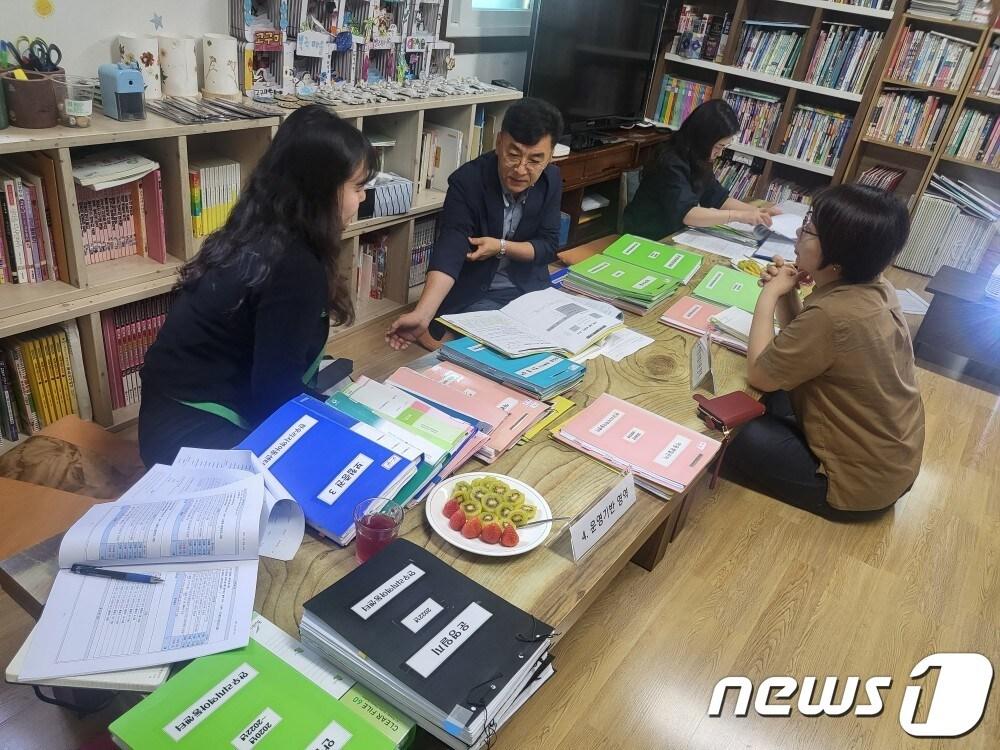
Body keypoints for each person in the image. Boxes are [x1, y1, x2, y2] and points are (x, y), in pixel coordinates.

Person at [137, 106, 376, 466]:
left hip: (165, 416)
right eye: (357, 187)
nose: (362, 198)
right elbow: (274, 396)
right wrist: (348, 427)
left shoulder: (255, 227)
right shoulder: (294, 266)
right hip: (193, 437)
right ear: (320, 190)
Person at [721, 184, 925, 520]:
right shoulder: (875, 287)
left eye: (809, 230)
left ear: (839, 258)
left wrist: (770, 294)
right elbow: (804, 345)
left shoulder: (834, 314)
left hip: (851, 487)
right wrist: (788, 294)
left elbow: (759, 372)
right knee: (763, 398)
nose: (798, 234)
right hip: (889, 465)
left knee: (726, 428)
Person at [386, 97, 563, 350]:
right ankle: (439, 331)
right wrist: (423, 314)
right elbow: (452, 246)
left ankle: (444, 339)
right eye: (513, 155)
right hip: (480, 292)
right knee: (502, 349)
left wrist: (501, 247)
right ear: (499, 142)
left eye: (535, 160)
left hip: (528, 290)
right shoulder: (467, 181)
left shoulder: (551, 180)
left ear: (550, 156)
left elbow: (548, 246)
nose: (521, 169)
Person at [624, 99, 779, 241]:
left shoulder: (698, 157)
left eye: (724, 147)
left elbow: (717, 197)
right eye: (718, 146)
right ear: (703, 139)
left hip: (675, 234)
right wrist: (738, 216)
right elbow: (687, 213)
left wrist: (757, 212)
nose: (719, 153)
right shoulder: (669, 161)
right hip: (648, 237)